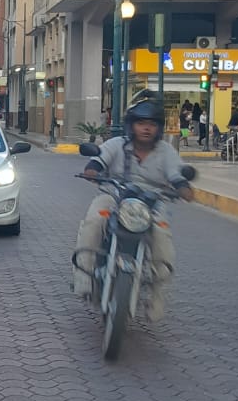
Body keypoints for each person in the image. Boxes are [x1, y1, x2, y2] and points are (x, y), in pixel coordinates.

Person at [72, 99, 194, 323]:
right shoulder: (116, 144)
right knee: (93, 220)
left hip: (151, 203)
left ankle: (157, 299)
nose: (146, 128)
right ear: (132, 125)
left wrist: (184, 188)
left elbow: (177, 175)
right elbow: (97, 162)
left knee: (163, 242)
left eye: (152, 124)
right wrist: (91, 170)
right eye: (141, 123)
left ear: (158, 128)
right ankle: (84, 276)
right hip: (114, 196)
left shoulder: (165, 151)